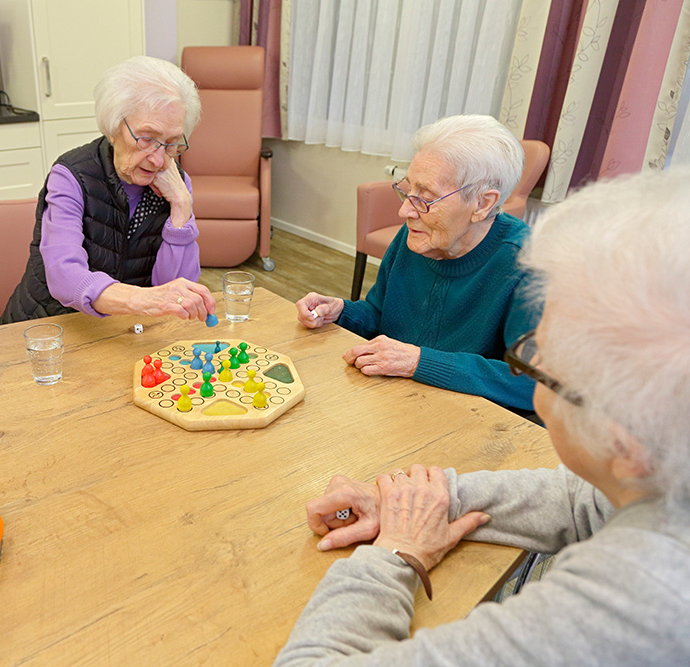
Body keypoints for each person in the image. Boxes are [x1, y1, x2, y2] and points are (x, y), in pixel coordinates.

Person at [274, 169, 690, 665]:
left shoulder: (640, 600)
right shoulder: (660, 472)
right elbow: (587, 498)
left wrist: (394, 553)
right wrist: (408, 502)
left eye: (536, 354)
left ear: (622, 443)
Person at [297, 115, 537, 411]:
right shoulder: (419, 234)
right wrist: (341, 312)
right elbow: (380, 314)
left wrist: (418, 362)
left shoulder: (529, 266)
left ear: (483, 203)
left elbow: (533, 384)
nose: (404, 211)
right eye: (407, 190)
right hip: (393, 403)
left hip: (465, 422)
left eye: (425, 198)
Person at [0, 56, 217, 324]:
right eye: (147, 139)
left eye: (172, 143)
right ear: (114, 127)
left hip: (125, 330)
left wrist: (182, 207)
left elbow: (173, 290)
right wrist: (145, 300)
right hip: (50, 328)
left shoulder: (175, 183)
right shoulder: (71, 175)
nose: (159, 160)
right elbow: (64, 276)